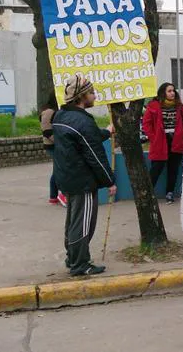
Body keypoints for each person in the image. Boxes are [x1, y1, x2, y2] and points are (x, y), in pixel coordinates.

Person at [52, 76, 116, 276]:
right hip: (83, 181)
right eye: (91, 92)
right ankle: (80, 264)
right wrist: (110, 181)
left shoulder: (61, 116)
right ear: (82, 96)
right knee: (83, 224)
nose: (94, 96)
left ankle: (73, 258)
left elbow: (86, 139)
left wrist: (106, 132)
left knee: (73, 221)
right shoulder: (83, 121)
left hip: (68, 178)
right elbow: (95, 156)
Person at [143, 82, 183, 204]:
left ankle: (169, 193)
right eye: (169, 91)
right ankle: (148, 194)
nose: (172, 93)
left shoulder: (179, 106)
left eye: (173, 90)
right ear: (162, 92)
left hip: (176, 141)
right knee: (156, 168)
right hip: (160, 142)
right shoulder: (153, 106)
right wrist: (153, 137)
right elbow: (146, 124)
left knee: (173, 169)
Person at [40, 91, 67, 207]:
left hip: (57, 145)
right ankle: (58, 195)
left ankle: (54, 196)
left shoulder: (56, 111)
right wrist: (60, 142)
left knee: (57, 169)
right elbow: (46, 131)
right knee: (59, 170)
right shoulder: (48, 112)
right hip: (52, 146)